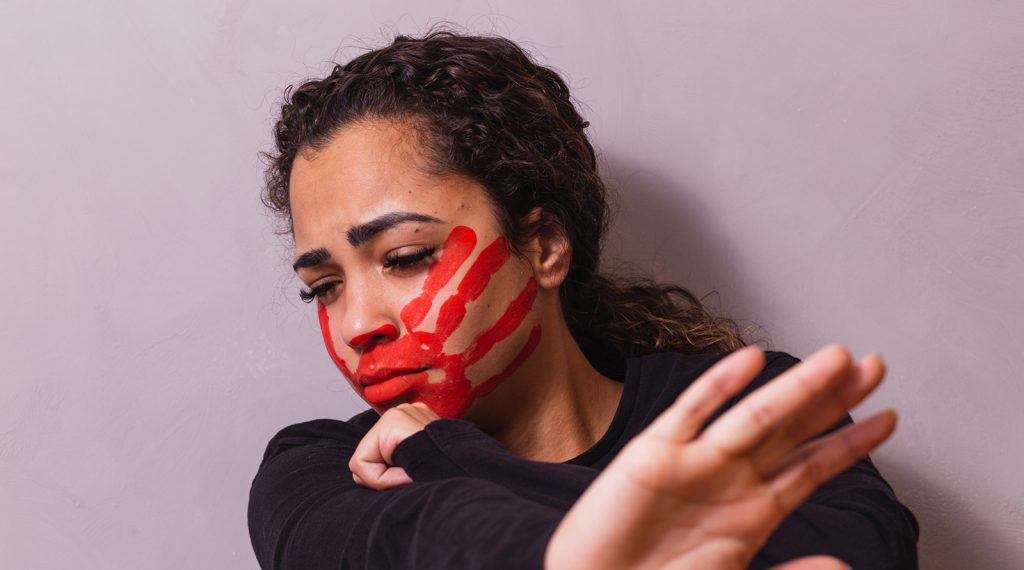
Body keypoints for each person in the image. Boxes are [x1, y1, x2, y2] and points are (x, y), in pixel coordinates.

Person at [247, 30, 919, 569]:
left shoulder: (743, 406)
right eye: (324, 287)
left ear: (544, 246)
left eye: (404, 257)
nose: (357, 324)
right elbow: (419, 537)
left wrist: (447, 454)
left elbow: (865, 551)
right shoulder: (319, 473)